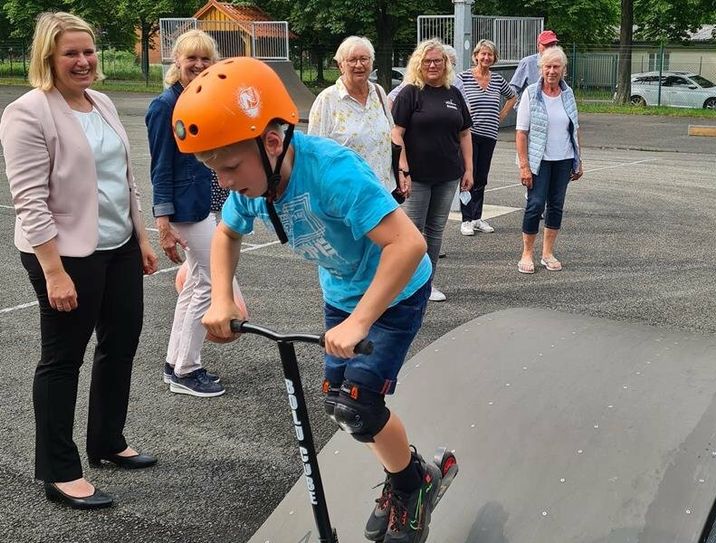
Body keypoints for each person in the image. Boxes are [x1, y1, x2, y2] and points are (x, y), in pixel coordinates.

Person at [175, 57, 442, 543]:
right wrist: (221, 297)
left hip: (394, 290)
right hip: (342, 292)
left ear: (272, 141)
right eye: (214, 170)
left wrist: (361, 322)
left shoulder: (333, 173)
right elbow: (225, 235)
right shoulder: (256, 181)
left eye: (230, 167)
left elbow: (409, 245)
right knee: (340, 405)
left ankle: (415, 484)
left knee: (360, 402)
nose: (225, 182)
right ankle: (409, 475)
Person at [0, 11, 159, 510]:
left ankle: (107, 441)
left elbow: (125, 177)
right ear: (49, 58)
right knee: (63, 359)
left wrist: (143, 237)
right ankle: (59, 470)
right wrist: (53, 271)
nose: (84, 61)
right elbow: (28, 199)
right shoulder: (28, 112)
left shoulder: (103, 102)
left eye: (88, 51)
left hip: (119, 246)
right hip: (64, 253)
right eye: (71, 53)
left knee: (122, 343)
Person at [146, 29, 230, 398]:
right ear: (176, 61)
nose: (198, 65)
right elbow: (160, 167)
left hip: (207, 203)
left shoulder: (205, 99)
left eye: (205, 59)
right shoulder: (165, 106)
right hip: (185, 209)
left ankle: (175, 363)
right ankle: (188, 370)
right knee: (210, 283)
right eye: (190, 58)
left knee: (196, 283)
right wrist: (162, 221)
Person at [391, 39, 473, 302]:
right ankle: (407, 286)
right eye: (427, 61)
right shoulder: (410, 93)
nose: (433, 65)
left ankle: (427, 284)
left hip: (448, 174)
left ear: (446, 64)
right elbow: (396, 133)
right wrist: (403, 168)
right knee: (413, 232)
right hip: (418, 177)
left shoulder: (454, 94)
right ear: (419, 64)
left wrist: (469, 169)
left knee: (436, 230)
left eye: (438, 60)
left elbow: (465, 133)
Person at [307, 36, 407, 199]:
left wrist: (400, 172)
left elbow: (390, 135)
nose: (359, 65)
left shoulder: (379, 93)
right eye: (352, 60)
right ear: (341, 65)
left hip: (383, 193)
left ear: (371, 62)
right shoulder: (327, 100)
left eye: (364, 59)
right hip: (347, 197)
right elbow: (314, 155)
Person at [515, 46, 583, 274]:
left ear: (564, 69)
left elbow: (574, 128)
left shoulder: (568, 93)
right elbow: (521, 133)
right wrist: (524, 166)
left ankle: (547, 253)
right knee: (535, 205)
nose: (552, 71)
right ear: (540, 68)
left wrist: (578, 159)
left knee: (556, 206)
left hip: (563, 159)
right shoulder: (530, 94)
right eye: (547, 66)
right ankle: (527, 253)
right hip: (538, 161)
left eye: (556, 66)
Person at [454, 39, 517, 236]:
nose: (486, 57)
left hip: (489, 134)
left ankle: (477, 216)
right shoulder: (463, 77)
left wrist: (502, 115)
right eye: (483, 54)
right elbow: (453, 96)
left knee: (481, 177)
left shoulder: (497, 79)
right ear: (476, 56)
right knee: (467, 177)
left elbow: (512, 96)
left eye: (490, 54)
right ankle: (466, 219)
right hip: (469, 135)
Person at [510, 30, 559, 98]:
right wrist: (522, 106)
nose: (549, 48)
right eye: (546, 44)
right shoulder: (527, 63)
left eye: (552, 45)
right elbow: (513, 90)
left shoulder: (559, 63)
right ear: (538, 45)